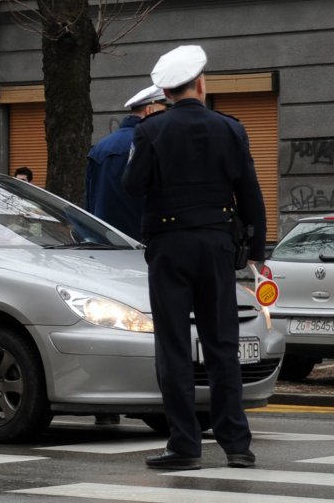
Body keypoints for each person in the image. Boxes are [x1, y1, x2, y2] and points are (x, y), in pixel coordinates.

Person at [122, 45, 266, 471]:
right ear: (201, 84)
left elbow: (132, 186)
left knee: (173, 347)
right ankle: (237, 444)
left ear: (163, 91)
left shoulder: (151, 130)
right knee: (223, 344)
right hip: (218, 245)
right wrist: (255, 251)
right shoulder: (231, 128)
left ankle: (185, 444)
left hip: (169, 246)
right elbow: (251, 194)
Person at [86, 85, 169, 240]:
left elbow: (90, 199)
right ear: (149, 111)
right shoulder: (151, 143)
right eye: (163, 112)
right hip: (140, 240)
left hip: (104, 238)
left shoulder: (100, 146)